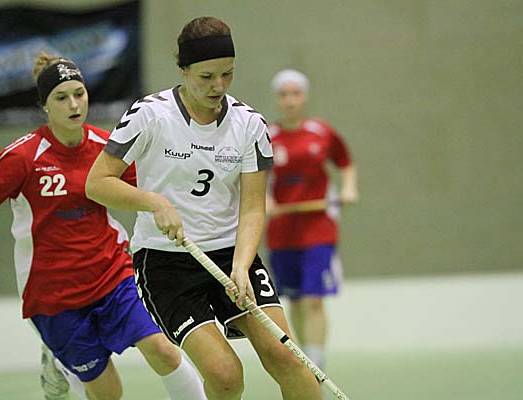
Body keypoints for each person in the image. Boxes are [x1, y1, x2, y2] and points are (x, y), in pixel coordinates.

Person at [0, 52, 207, 400]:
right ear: (44, 105)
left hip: (112, 274)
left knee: (163, 350)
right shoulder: (24, 157)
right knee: (109, 393)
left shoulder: (106, 148)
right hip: (54, 296)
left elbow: (151, 190)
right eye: (61, 97)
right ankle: (61, 364)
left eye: (79, 93)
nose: (74, 104)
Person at [86, 16, 323, 400]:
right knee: (225, 375)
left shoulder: (249, 124)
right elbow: (97, 183)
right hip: (166, 263)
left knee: (287, 357)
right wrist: (153, 202)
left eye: (227, 74)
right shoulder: (150, 115)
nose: (219, 86)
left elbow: (252, 208)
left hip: (231, 256)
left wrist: (242, 265)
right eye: (206, 76)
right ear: (183, 71)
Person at [266, 69, 359, 372]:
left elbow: (345, 162)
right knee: (293, 300)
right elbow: (254, 178)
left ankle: (317, 363)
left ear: (304, 97)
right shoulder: (267, 137)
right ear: (277, 99)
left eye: (296, 94)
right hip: (282, 231)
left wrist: (348, 188)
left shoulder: (322, 132)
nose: (290, 100)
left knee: (313, 299)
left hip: (318, 229)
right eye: (284, 95)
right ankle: (304, 358)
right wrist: (265, 201)